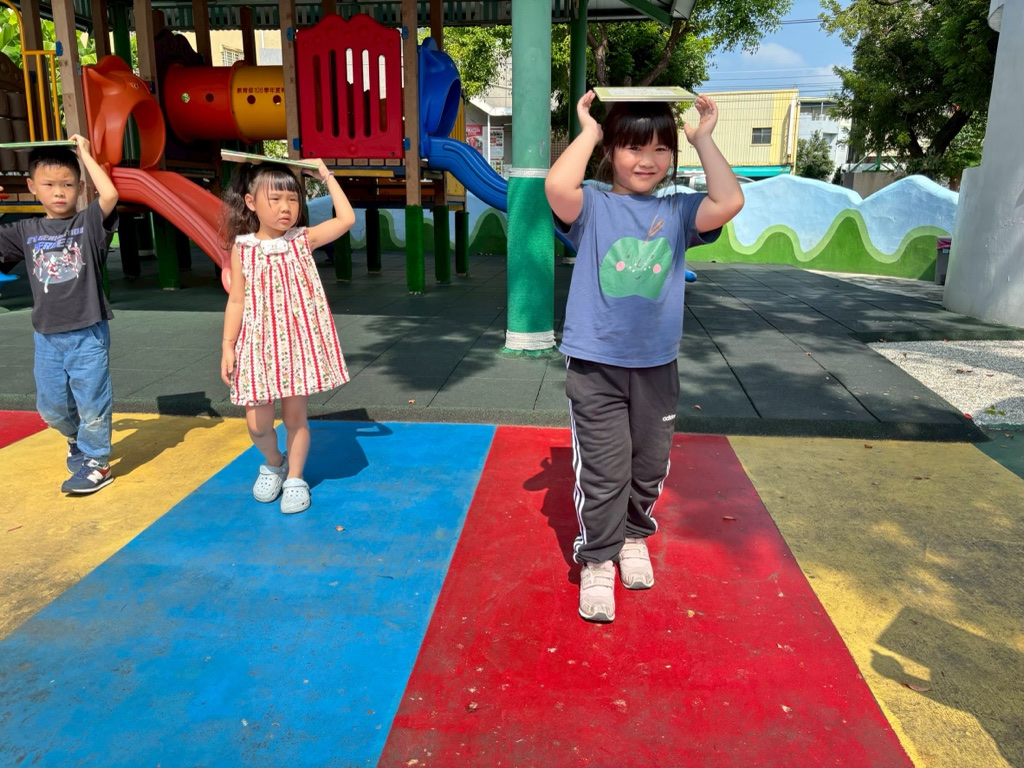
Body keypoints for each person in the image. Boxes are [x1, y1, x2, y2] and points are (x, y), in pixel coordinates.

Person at [545, 92, 744, 623]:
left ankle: (634, 536)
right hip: (596, 365)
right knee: (604, 471)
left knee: (649, 464)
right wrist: (588, 132)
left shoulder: (678, 211)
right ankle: (598, 559)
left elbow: (728, 201)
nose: (647, 159)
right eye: (633, 147)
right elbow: (556, 187)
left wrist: (703, 139)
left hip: (656, 365)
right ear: (612, 150)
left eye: (660, 148)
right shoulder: (592, 206)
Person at [220, 159, 355, 514]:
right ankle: (274, 461)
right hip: (257, 346)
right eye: (276, 199)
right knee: (257, 424)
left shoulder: (301, 240)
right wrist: (227, 345)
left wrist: (325, 175)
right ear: (251, 203)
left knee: (296, 420)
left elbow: (346, 219)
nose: (286, 207)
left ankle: (295, 477)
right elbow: (237, 300)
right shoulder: (243, 248)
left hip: (296, 345)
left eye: (293, 199)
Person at [0, 137, 119, 494]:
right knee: (51, 408)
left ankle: (98, 462)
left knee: (92, 402)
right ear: (32, 187)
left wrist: (85, 155)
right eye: (49, 184)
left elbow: (110, 195)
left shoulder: (87, 225)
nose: (58, 192)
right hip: (47, 336)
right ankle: (76, 439)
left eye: (67, 184)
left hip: (87, 332)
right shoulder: (25, 231)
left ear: (80, 188)